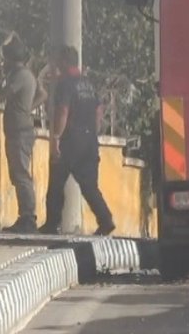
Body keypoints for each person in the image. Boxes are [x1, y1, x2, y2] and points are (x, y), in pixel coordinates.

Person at [39, 45, 115, 236]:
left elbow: (63, 111)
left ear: (64, 62)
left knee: (56, 184)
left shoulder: (65, 84)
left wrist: (56, 138)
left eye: (57, 60)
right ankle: (105, 220)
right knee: (89, 186)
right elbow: (98, 111)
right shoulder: (87, 83)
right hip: (88, 142)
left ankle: (52, 224)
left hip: (69, 142)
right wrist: (92, 132)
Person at [0, 37, 46, 233]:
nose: (3, 62)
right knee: (18, 173)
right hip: (20, 128)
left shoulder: (19, 75)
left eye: (5, 58)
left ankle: (28, 218)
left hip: (19, 131)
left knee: (21, 173)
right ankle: (25, 216)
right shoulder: (28, 75)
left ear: (11, 58)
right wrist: (28, 107)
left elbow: (0, 95)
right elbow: (43, 94)